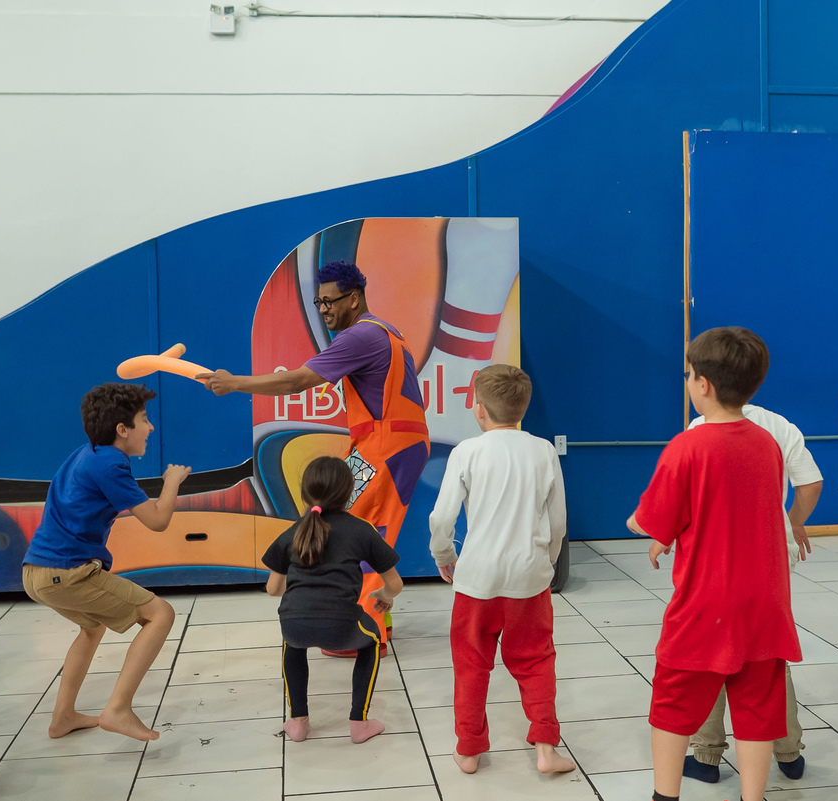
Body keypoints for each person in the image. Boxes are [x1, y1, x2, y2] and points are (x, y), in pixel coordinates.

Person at [201, 260, 430, 648]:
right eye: (318, 302)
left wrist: (235, 383)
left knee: (357, 534)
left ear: (354, 298)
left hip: (387, 446)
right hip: (387, 444)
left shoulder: (360, 337)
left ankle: (361, 633)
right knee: (357, 529)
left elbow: (295, 381)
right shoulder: (383, 331)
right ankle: (376, 623)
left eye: (329, 301)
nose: (323, 310)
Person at [627, 327, 802, 801]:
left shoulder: (688, 446)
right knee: (757, 707)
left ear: (702, 384)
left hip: (705, 603)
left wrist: (639, 521)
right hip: (765, 602)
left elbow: (653, 520)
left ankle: (665, 796)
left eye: (688, 375)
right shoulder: (767, 444)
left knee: (672, 703)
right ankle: (754, 796)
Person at [22, 383, 190, 742]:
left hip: (35, 571)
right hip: (67, 572)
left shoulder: (85, 454)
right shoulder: (111, 462)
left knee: (92, 628)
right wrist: (172, 481)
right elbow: (158, 520)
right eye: (144, 420)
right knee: (160, 614)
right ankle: (118, 708)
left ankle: (62, 717)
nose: (151, 428)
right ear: (122, 429)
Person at [428, 364, 575, 776]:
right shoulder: (544, 450)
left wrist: (444, 555)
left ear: (479, 410)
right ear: (522, 409)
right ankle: (546, 748)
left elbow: (442, 519)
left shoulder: (467, 452)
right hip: (528, 578)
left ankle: (470, 749)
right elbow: (559, 521)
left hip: (477, 578)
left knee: (472, 663)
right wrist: (546, 561)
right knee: (536, 659)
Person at [682, 403, 822, 784]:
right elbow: (810, 482)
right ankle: (789, 753)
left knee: (713, 653)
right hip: (770, 557)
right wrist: (790, 523)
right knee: (770, 654)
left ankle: (708, 756)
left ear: (705, 383)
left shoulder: (701, 428)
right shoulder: (779, 424)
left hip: (716, 559)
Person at [261, 456, 403, 744]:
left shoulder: (293, 531)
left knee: (293, 643)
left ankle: (298, 721)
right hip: (341, 626)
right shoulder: (361, 529)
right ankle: (359, 723)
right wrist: (383, 596)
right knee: (373, 641)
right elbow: (394, 583)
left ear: (304, 494)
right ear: (350, 491)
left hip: (294, 624)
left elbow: (273, 589)